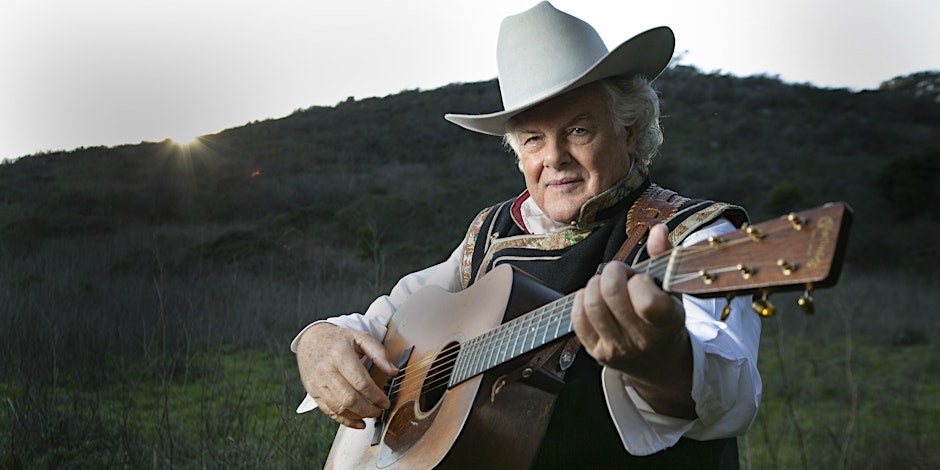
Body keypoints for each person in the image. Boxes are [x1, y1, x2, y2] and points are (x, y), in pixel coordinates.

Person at [292, 2, 761, 468]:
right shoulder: (490, 231)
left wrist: (666, 362)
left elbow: (731, 397)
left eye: (578, 130)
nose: (554, 157)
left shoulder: (697, 238)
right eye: (534, 138)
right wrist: (318, 340)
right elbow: (390, 320)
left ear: (629, 130)